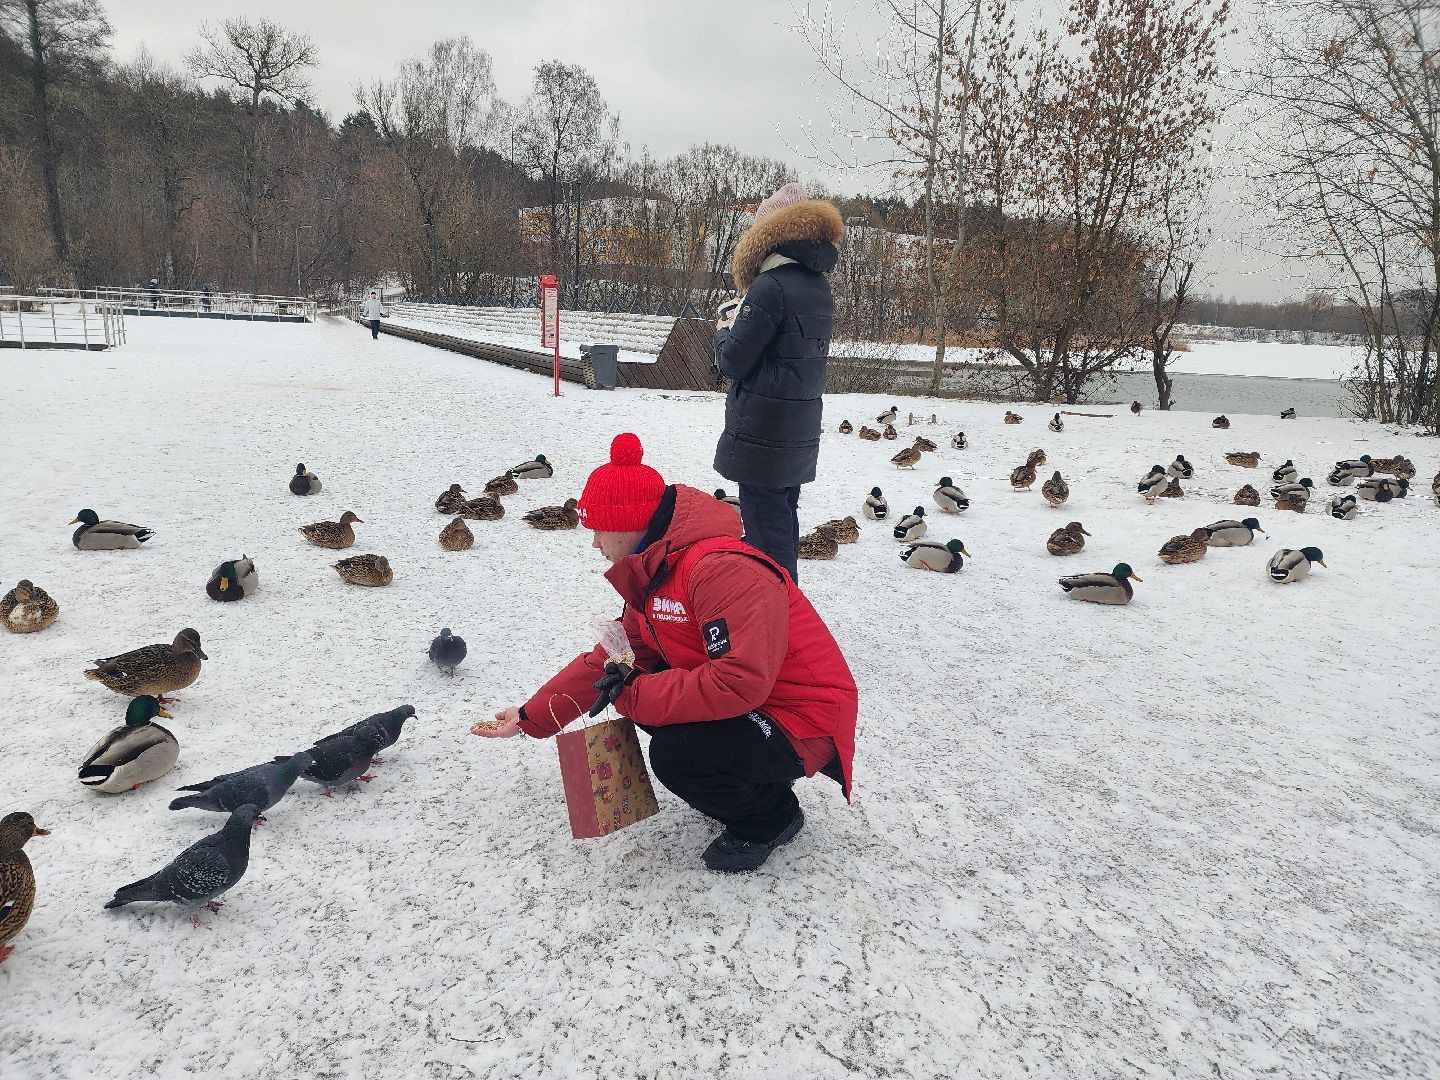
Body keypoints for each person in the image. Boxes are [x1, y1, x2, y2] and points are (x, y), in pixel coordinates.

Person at [474, 432, 857, 874]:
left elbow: (739, 680)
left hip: (801, 715)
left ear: (628, 523)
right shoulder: (656, 569)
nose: (595, 544)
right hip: (758, 704)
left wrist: (635, 691)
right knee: (653, 709)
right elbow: (617, 658)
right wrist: (528, 716)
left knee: (677, 752)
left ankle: (771, 819)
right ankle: (743, 777)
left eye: (598, 530)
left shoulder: (720, 570)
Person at [712, 182, 843, 583]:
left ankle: (778, 619)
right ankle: (784, 610)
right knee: (782, 526)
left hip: (763, 432)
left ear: (768, 234)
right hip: (798, 430)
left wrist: (724, 324)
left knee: (766, 539)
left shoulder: (771, 286)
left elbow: (732, 360)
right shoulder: (818, 285)